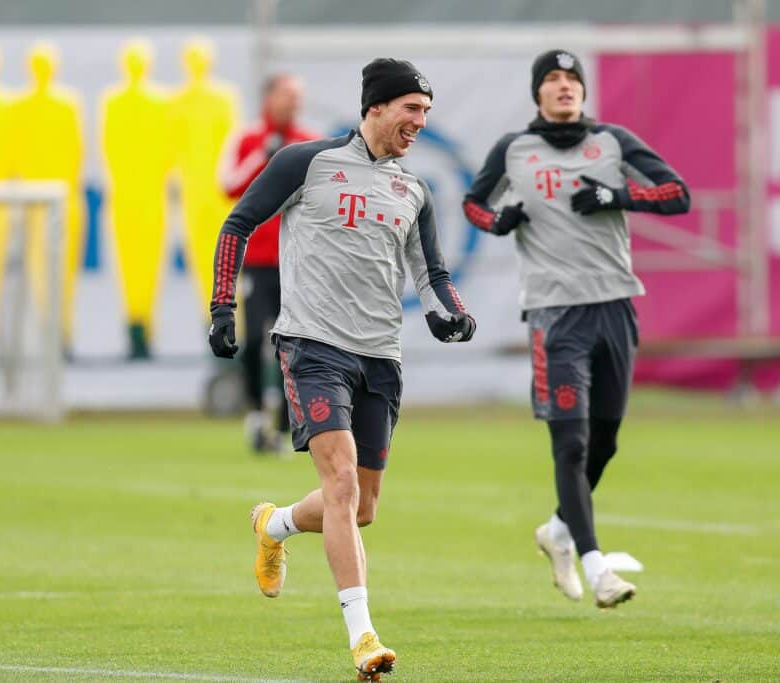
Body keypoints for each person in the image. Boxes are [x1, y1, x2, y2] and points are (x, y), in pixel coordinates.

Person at [209, 58, 475, 681]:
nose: (420, 122)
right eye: (412, 108)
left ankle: (272, 524)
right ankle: (364, 640)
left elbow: (433, 275)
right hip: (311, 347)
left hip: (380, 356)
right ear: (377, 107)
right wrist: (224, 304)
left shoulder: (414, 189)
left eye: (427, 112)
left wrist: (451, 314)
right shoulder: (307, 162)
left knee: (359, 507)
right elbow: (237, 224)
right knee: (341, 484)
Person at [463, 49, 690, 609]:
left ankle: (559, 531)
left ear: (584, 92)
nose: (564, 87)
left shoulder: (612, 142)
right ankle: (597, 568)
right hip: (553, 314)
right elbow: (473, 203)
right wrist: (499, 220)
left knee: (605, 442)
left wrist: (619, 195)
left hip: (614, 306)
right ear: (537, 93)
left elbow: (676, 193)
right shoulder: (514, 150)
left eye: (572, 79)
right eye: (553, 80)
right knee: (571, 441)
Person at [219, 73, 317, 453]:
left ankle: (287, 422)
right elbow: (227, 184)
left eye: (299, 96)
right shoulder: (248, 140)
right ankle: (257, 412)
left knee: (294, 341)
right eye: (289, 95)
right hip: (259, 260)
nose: (294, 102)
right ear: (269, 96)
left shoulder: (309, 142)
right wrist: (265, 155)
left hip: (300, 263)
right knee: (257, 338)